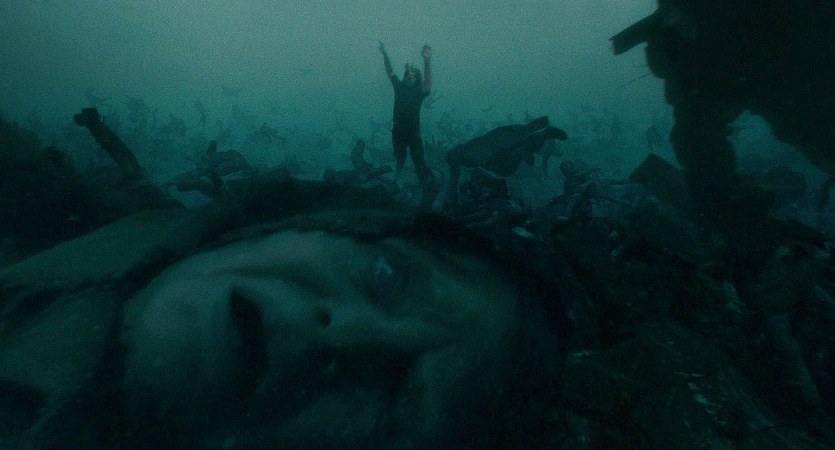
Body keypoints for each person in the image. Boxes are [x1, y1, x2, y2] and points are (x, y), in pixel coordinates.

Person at [379, 41, 438, 210]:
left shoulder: (419, 91)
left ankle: (426, 190)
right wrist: (385, 55)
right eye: (406, 75)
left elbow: (428, 82)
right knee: (399, 158)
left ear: (416, 78)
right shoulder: (399, 87)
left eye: (412, 75)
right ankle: (396, 186)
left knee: (419, 160)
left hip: (413, 132)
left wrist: (427, 60)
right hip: (398, 130)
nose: (408, 77)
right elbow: (390, 71)